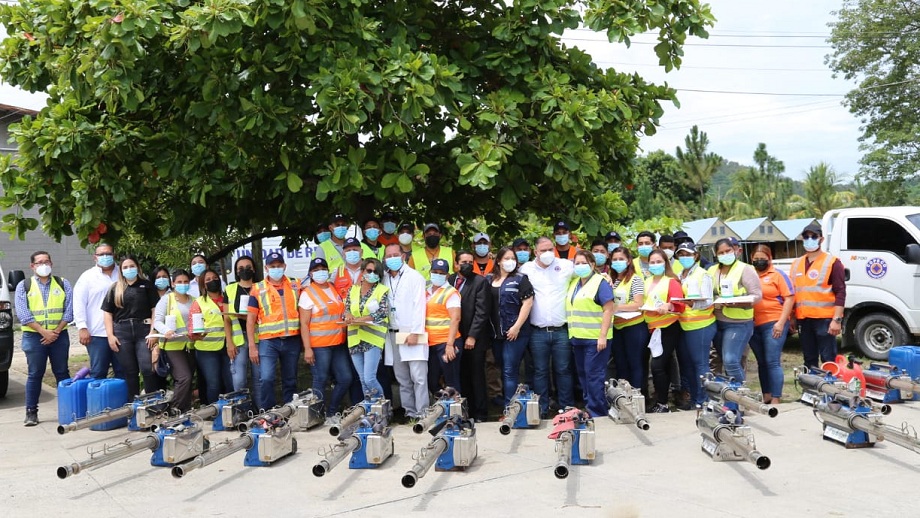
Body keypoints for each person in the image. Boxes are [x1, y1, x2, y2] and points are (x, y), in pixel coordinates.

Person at [519, 236, 575, 416]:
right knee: (540, 371)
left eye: (550, 249)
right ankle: (541, 408)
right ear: (535, 252)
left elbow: (585, 276)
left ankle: (566, 407)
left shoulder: (566, 266)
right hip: (538, 332)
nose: (547, 253)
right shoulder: (526, 269)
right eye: (543, 250)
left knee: (564, 370)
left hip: (561, 330)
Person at [17, 251, 72, 426]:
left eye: (46, 261)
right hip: (34, 337)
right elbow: (23, 314)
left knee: (62, 372)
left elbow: (69, 311)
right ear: (32, 266)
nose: (43, 265)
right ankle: (31, 412)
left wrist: (55, 331)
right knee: (35, 374)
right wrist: (44, 332)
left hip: (59, 335)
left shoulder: (63, 283)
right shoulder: (24, 285)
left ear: (52, 263)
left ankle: (69, 409)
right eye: (39, 262)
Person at [247, 252, 303, 411]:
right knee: (266, 378)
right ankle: (268, 411)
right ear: (266, 268)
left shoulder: (296, 284)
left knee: (290, 379)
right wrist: (252, 346)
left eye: (279, 266)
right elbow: (250, 320)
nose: (276, 269)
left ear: (285, 266)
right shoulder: (257, 289)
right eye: (272, 266)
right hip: (269, 341)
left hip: (292, 339)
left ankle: (288, 410)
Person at [102, 255, 162, 398]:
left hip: (143, 331)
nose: (129, 269)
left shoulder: (147, 286)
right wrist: (110, 335)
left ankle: (152, 404)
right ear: (121, 270)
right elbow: (107, 313)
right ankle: (133, 406)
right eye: (125, 267)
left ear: (138, 268)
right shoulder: (115, 288)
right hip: (122, 332)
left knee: (147, 369)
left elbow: (155, 310)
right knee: (130, 371)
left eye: (132, 266)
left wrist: (153, 332)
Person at [382, 243, 429, 421]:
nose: (392, 258)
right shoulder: (385, 278)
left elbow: (419, 306)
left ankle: (422, 412)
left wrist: (415, 332)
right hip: (392, 333)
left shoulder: (414, 277)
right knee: (402, 377)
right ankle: (409, 412)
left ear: (403, 256)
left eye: (396, 254)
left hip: (411, 332)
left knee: (418, 376)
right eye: (389, 255)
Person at [566, 251, 615, 418]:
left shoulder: (600, 282)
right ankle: (590, 406)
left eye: (583, 263)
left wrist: (602, 336)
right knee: (584, 375)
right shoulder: (574, 283)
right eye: (577, 263)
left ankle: (598, 412)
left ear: (592, 265)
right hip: (578, 338)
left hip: (595, 339)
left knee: (594, 376)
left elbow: (608, 309)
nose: (580, 266)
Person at [300, 257, 351, 417]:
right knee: (320, 379)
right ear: (310, 273)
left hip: (338, 343)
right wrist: (307, 348)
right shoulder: (307, 293)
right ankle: (316, 415)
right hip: (319, 345)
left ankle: (331, 412)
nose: (320, 272)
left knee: (345, 378)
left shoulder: (333, 287)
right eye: (316, 270)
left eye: (323, 269)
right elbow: (304, 324)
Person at [791, 222, 845, 368]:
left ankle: (831, 389)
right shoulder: (796, 264)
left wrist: (837, 320)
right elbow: (792, 293)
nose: (810, 239)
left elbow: (840, 292)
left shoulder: (832, 262)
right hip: (803, 319)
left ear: (821, 239)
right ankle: (811, 389)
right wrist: (792, 317)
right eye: (806, 236)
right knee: (809, 359)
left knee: (828, 359)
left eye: (814, 236)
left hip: (825, 320)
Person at [709, 238, 762, 382]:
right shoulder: (712, 270)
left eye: (728, 251)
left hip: (739, 322)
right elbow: (708, 292)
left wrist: (736, 301)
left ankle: (739, 397)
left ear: (735, 251)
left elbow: (757, 296)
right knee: (723, 360)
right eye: (721, 252)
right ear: (716, 254)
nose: (725, 254)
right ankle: (730, 398)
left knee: (731, 360)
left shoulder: (745, 269)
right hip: (717, 322)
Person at [487, 247, 534, 406]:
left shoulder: (521, 279)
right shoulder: (489, 279)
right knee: (501, 366)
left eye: (512, 258)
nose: (510, 262)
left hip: (516, 333)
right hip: (496, 334)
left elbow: (527, 303)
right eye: (506, 258)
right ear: (498, 261)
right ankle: (509, 401)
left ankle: (510, 407)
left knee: (509, 370)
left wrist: (516, 327)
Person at [642, 249, 687, 413]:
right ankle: (662, 402)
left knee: (657, 365)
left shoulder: (671, 281)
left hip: (668, 327)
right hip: (652, 327)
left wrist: (668, 306)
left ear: (665, 263)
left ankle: (662, 402)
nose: (655, 265)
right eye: (652, 262)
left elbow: (679, 304)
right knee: (664, 365)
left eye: (658, 262)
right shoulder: (646, 281)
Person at [450, 250, 492, 421]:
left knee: (476, 375)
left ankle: (480, 412)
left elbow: (482, 312)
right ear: (456, 264)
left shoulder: (479, 281)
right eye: (463, 262)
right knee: (461, 374)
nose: (467, 264)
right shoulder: (450, 280)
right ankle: (465, 412)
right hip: (455, 335)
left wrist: (472, 336)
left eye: (470, 261)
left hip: (473, 337)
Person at [750, 245, 795, 404]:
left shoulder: (778, 275)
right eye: (756, 259)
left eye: (763, 258)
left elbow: (789, 297)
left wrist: (781, 322)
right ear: (751, 259)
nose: (759, 261)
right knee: (761, 362)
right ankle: (766, 395)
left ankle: (776, 398)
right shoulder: (750, 275)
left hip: (773, 322)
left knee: (772, 361)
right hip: (754, 325)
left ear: (769, 259)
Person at [675, 242, 717, 408]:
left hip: (701, 325)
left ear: (696, 255)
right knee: (688, 365)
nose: (685, 257)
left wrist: (691, 304)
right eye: (681, 254)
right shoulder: (680, 275)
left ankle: (703, 400)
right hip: (684, 325)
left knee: (700, 364)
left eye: (688, 254)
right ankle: (694, 399)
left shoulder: (702, 274)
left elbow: (708, 301)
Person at [73, 243, 123, 380]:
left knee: (123, 371)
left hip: (121, 332)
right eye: (101, 254)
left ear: (114, 255)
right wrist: (82, 327)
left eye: (108, 253)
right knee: (99, 372)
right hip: (97, 334)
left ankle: (124, 401)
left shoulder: (123, 274)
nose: (105, 257)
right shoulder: (87, 277)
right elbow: (78, 303)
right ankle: (98, 401)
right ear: (95, 257)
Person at [344, 258, 389, 397]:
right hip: (355, 338)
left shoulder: (381, 290)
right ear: (362, 271)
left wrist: (360, 319)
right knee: (363, 380)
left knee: (370, 379)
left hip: (373, 338)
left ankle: (382, 411)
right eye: (369, 271)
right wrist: (349, 315)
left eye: (376, 272)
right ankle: (370, 411)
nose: (372, 274)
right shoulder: (353, 289)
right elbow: (346, 309)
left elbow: (382, 312)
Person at [187, 268, 233, 405]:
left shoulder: (228, 299)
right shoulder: (198, 302)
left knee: (230, 382)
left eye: (215, 278)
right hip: (206, 349)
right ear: (203, 285)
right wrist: (195, 334)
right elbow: (192, 328)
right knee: (214, 384)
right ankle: (214, 412)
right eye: (208, 280)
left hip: (228, 346)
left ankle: (232, 409)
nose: (213, 281)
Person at [153, 269, 195, 412]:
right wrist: (167, 331)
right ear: (173, 283)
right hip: (172, 346)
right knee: (184, 378)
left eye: (185, 282)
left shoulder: (193, 300)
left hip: (190, 345)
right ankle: (173, 410)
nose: (183, 284)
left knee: (188, 382)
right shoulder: (167, 299)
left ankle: (185, 412)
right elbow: (157, 321)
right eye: (179, 282)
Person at [608, 247, 648, 394]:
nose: (618, 262)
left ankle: (636, 397)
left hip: (634, 327)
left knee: (635, 363)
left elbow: (638, 304)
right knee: (620, 364)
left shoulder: (635, 279)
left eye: (621, 259)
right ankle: (622, 397)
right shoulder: (611, 279)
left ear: (629, 261)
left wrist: (615, 307)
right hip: (617, 328)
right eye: (615, 259)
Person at [224, 255, 262, 409]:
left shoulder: (261, 288)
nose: (244, 270)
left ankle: (261, 410)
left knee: (259, 378)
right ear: (236, 271)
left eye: (248, 267)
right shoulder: (230, 289)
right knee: (239, 380)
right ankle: (243, 410)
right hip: (238, 340)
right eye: (240, 268)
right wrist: (229, 342)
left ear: (253, 269)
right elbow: (226, 318)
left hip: (258, 338)